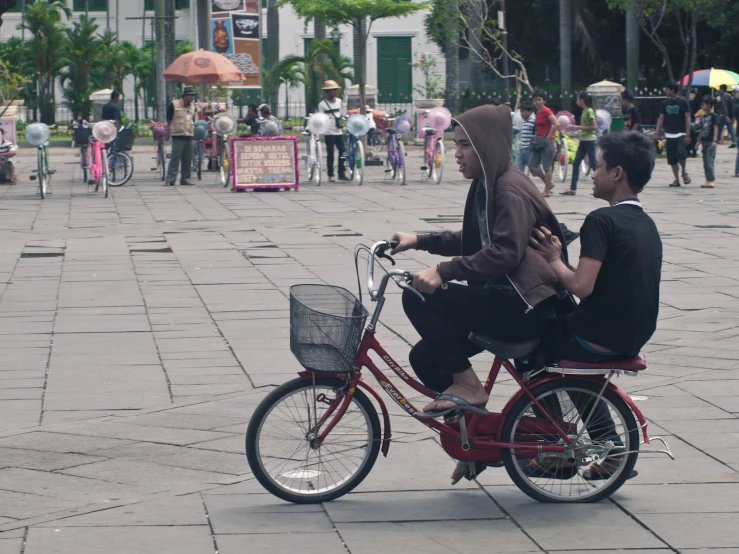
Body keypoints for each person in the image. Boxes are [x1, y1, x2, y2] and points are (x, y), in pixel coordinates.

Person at [390, 105, 569, 424]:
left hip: (523, 307)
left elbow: (504, 253)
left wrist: (443, 272)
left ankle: (470, 386)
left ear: (487, 145)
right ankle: (471, 433)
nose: (456, 153)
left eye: (464, 144)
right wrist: (418, 240)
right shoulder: (487, 183)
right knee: (425, 358)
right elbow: (474, 239)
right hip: (503, 300)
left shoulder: (508, 189)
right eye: (455, 143)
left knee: (416, 296)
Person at [529, 131, 661, 480]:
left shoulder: (601, 220)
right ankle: (609, 446)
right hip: (633, 332)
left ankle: (556, 447)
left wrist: (554, 259)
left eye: (597, 166)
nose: (591, 173)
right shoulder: (646, 224)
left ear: (617, 173)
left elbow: (582, 286)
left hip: (600, 332)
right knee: (565, 350)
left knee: (528, 348)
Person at [653, 83, 691, 187]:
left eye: (667, 89)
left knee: (681, 155)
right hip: (669, 134)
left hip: (681, 133)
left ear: (673, 90)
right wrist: (657, 132)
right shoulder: (665, 103)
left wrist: (688, 134)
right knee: (672, 159)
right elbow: (661, 118)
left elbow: (687, 117)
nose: (666, 91)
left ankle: (683, 171)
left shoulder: (683, 102)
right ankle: (676, 179)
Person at [562, 92, 597, 195]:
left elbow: (593, 127)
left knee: (594, 164)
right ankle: (573, 188)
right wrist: (576, 130)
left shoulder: (589, 111)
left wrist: (577, 127)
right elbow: (586, 127)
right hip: (583, 140)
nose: (576, 101)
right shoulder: (584, 111)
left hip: (590, 141)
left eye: (577, 99)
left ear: (582, 100)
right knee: (576, 163)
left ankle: (600, 187)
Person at [528, 90, 559, 196]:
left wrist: (548, 137)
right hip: (539, 141)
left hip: (547, 142)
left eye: (539, 100)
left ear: (544, 101)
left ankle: (546, 191)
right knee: (532, 165)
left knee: (547, 166)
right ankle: (548, 182)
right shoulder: (538, 112)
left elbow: (555, 124)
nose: (537, 102)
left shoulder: (547, 111)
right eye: (535, 100)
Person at [165, 85, 198, 187]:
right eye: (190, 96)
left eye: (193, 96)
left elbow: (193, 120)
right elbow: (169, 119)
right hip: (178, 136)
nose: (192, 98)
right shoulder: (174, 105)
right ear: (185, 96)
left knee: (187, 159)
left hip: (189, 135)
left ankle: (185, 179)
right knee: (175, 159)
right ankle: (170, 179)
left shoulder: (193, 107)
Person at [318, 80, 349, 182]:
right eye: (332, 90)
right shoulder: (322, 104)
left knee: (343, 152)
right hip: (328, 132)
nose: (334, 92)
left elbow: (341, 114)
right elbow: (321, 117)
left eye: (335, 90)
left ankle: (341, 173)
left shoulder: (339, 101)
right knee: (330, 153)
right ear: (327, 92)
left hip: (338, 130)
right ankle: (330, 174)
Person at [698, 96, 719, 189]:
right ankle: (707, 179)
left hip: (710, 141)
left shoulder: (713, 116)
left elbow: (715, 128)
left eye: (704, 104)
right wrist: (698, 142)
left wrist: (715, 140)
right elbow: (702, 130)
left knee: (709, 160)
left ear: (709, 105)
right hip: (704, 141)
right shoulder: (703, 117)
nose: (702, 106)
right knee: (705, 161)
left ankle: (711, 180)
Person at [515, 103, 535, 172]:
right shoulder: (523, 121)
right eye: (520, 112)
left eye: (523, 112)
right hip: (521, 148)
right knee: (518, 168)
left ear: (530, 112)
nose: (521, 114)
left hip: (529, 149)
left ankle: (546, 179)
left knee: (534, 168)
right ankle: (519, 182)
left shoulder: (534, 121)